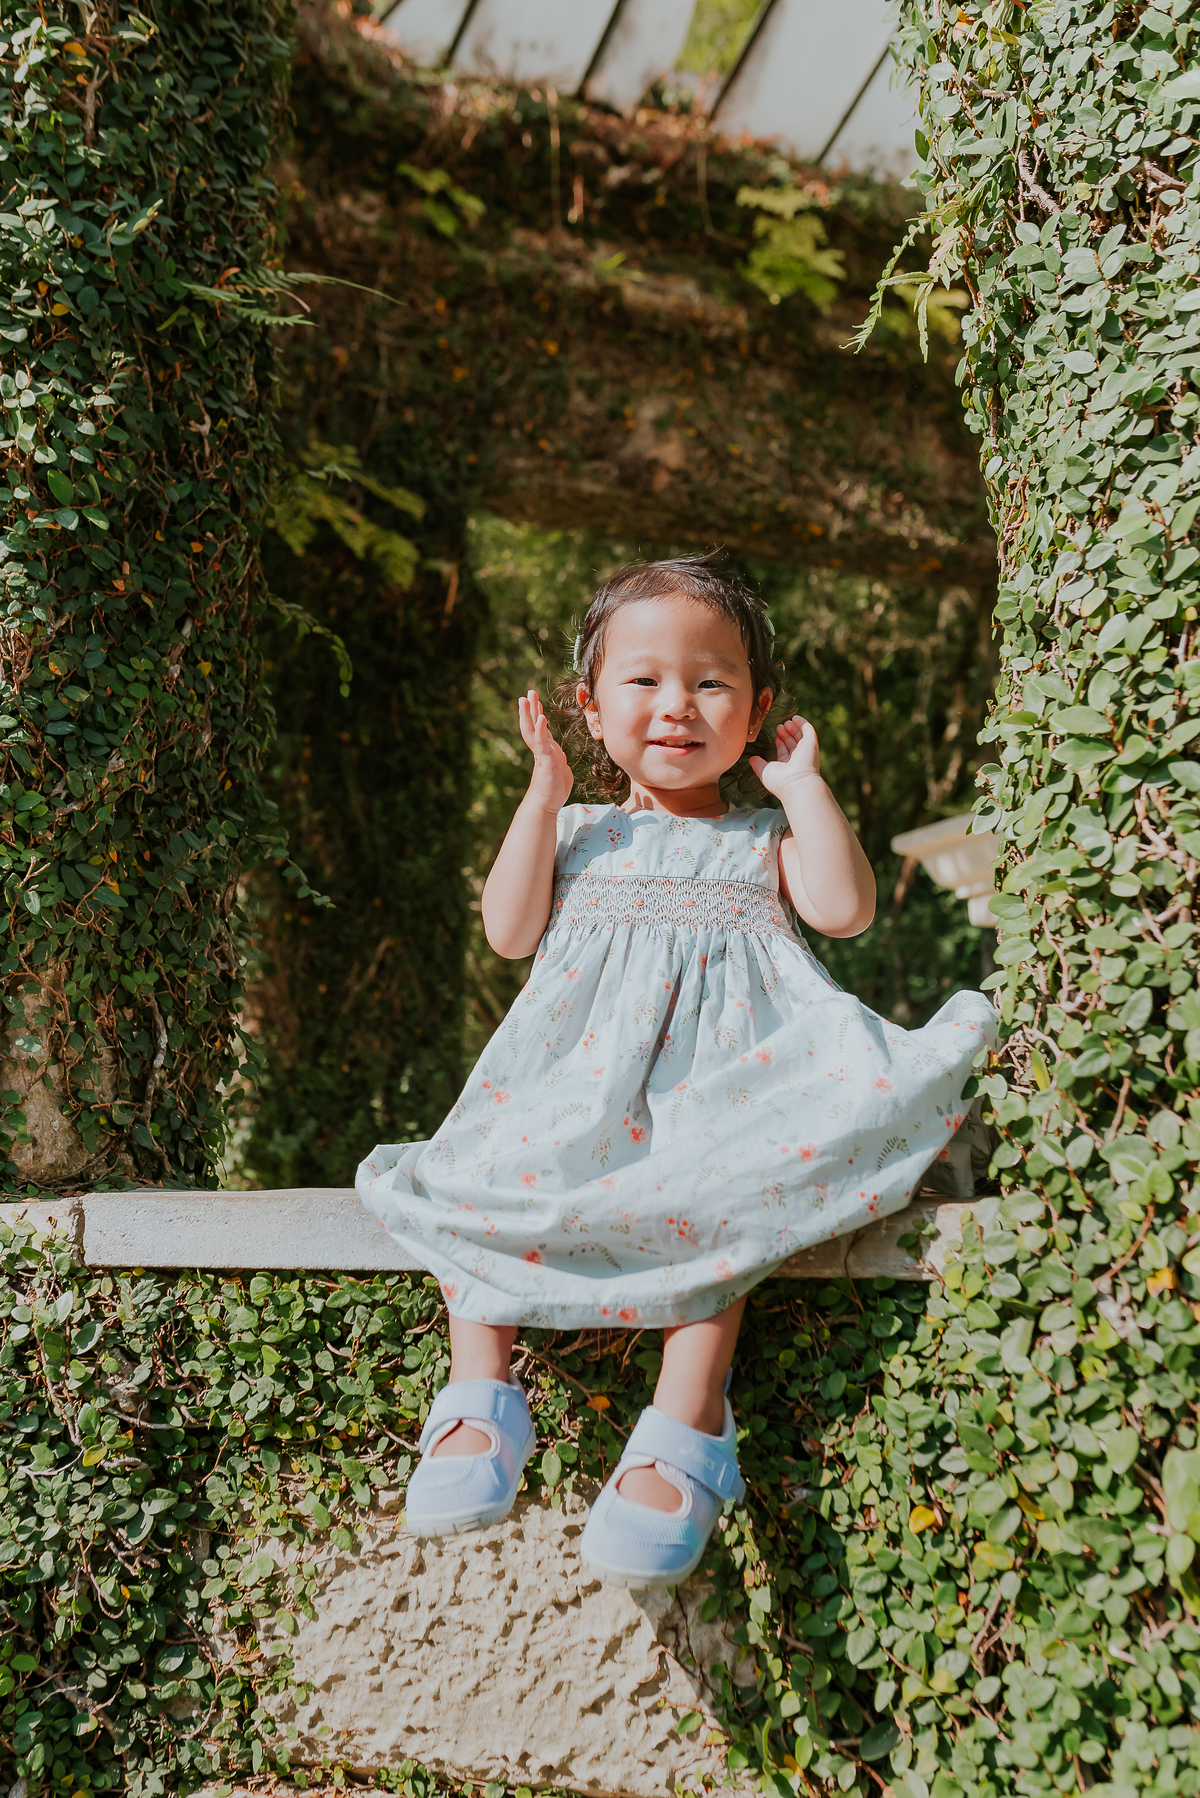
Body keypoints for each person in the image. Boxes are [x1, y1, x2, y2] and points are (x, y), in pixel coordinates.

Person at [357, 556, 997, 1589]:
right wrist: (541, 796)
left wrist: (804, 788)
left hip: (727, 1090)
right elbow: (508, 932)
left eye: (711, 682)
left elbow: (845, 911)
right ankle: (477, 1403)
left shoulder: (759, 838)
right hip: (572, 1088)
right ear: (589, 706)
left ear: (758, 712)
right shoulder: (578, 832)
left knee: (720, 1192)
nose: (677, 705)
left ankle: (686, 1419)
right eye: (643, 680)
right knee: (482, 1169)